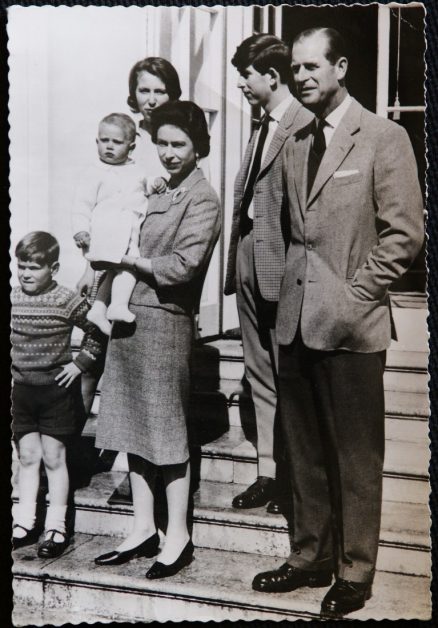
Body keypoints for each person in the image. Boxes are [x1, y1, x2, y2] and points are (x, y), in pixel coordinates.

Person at [251, 28, 424, 618]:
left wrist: (356, 295)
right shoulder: (294, 137)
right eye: (293, 68)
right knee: (302, 451)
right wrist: (278, 299)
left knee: (354, 455)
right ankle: (309, 556)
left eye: (310, 66)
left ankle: (355, 570)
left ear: (341, 67)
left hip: (351, 327)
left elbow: (406, 235)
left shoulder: (383, 136)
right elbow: (276, 226)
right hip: (294, 323)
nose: (300, 76)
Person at [94, 101, 220, 579]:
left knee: (166, 434)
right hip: (129, 323)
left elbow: (183, 266)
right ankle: (143, 527)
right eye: (162, 143)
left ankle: (179, 535)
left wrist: (127, 260)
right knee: (132, 428)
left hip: (165, 320)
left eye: (178, 145)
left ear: (197, 147)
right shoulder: (158, 189)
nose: (168, 153)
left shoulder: (200, 197)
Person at [223, 34, 313, 514]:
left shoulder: (303, 124)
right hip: (249, 262)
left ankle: (298, 479)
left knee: (289, 375)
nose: (240, 85)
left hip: (283, 269)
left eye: (246, 75)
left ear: (272, 77)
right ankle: (268, 473)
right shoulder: (260, 127)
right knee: (259, 374)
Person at [11, 232, 103, 557]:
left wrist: (79, 364)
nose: (25, 274)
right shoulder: (13, 298)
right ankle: (24, 521)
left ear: (54, 267)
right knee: (26, 457)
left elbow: (98, 331)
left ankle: (56, 526)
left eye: (34, 267)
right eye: (21, 266)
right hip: (21, 393)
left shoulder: (66, 300)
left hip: (57, 393)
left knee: (53, 458)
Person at [72, 112, 166, 335]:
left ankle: (98, 308)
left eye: (116, 142)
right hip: (107, 230)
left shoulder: (136, 170)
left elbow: (146, 183)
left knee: (113, 271)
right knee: (128, 268)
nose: (109, 147)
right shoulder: (93, 173)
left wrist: (157, 182)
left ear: (131, 147)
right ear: (97, 141)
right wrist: (81, 230)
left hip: (129, 230)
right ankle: (118, 306)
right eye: (104, 141)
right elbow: (81, 205)